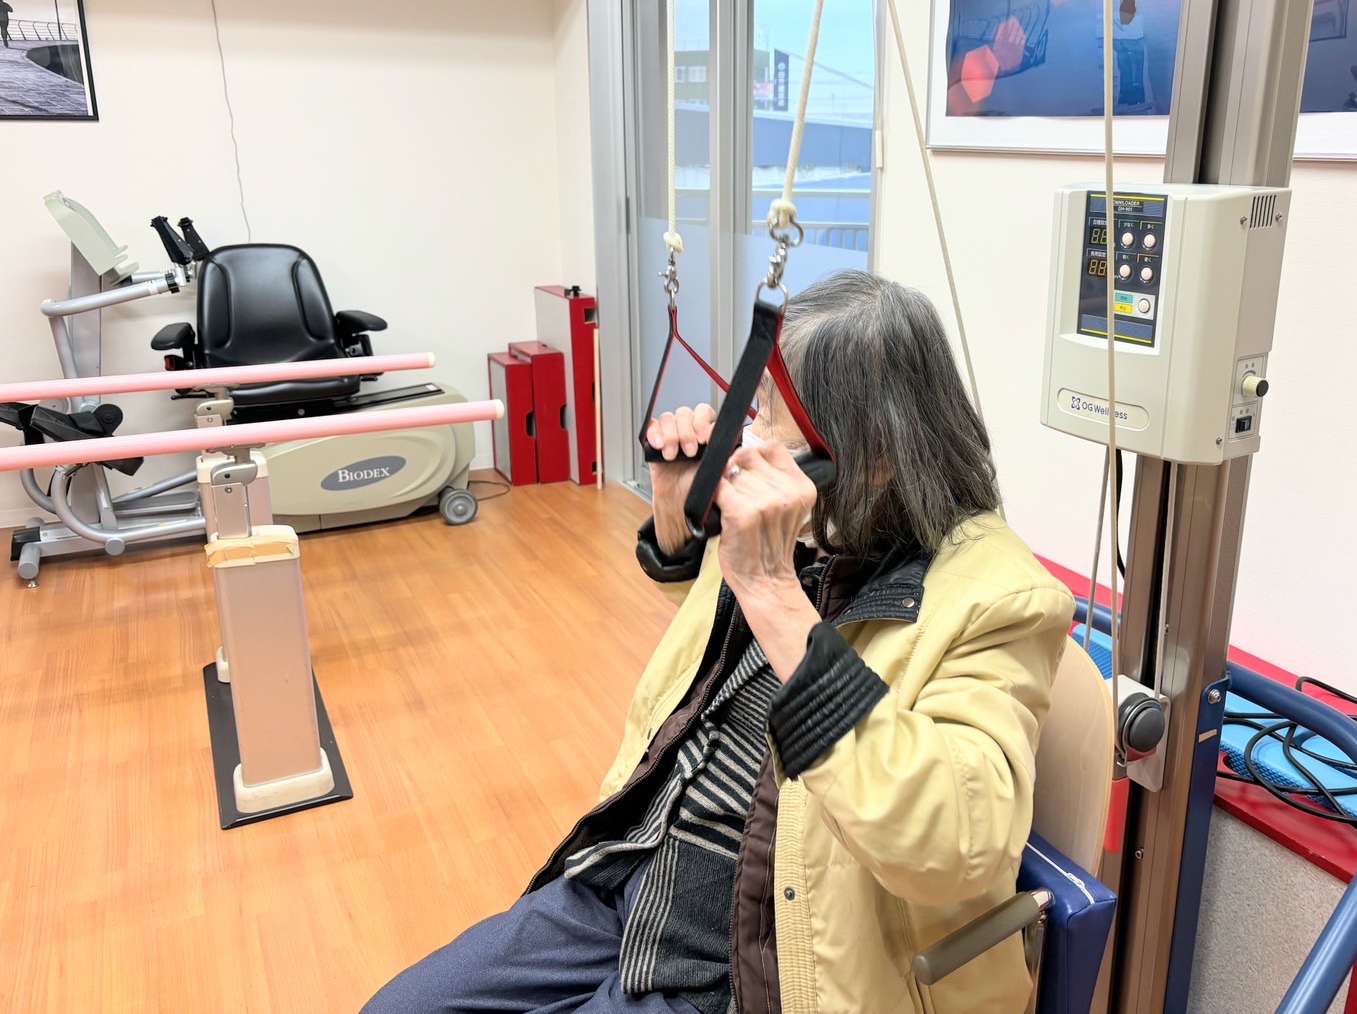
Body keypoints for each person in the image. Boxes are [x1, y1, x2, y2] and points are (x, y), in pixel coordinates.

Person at [363, 270, 1076, 1013]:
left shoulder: (1001, 599)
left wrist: (775, 593)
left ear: (872, 457)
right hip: (645, 855)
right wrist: (679, 514)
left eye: (771, 417)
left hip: (764, 934)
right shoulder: (819, 516)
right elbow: (717, 619)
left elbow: (954, 844)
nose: (748, 439)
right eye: (754, 406)